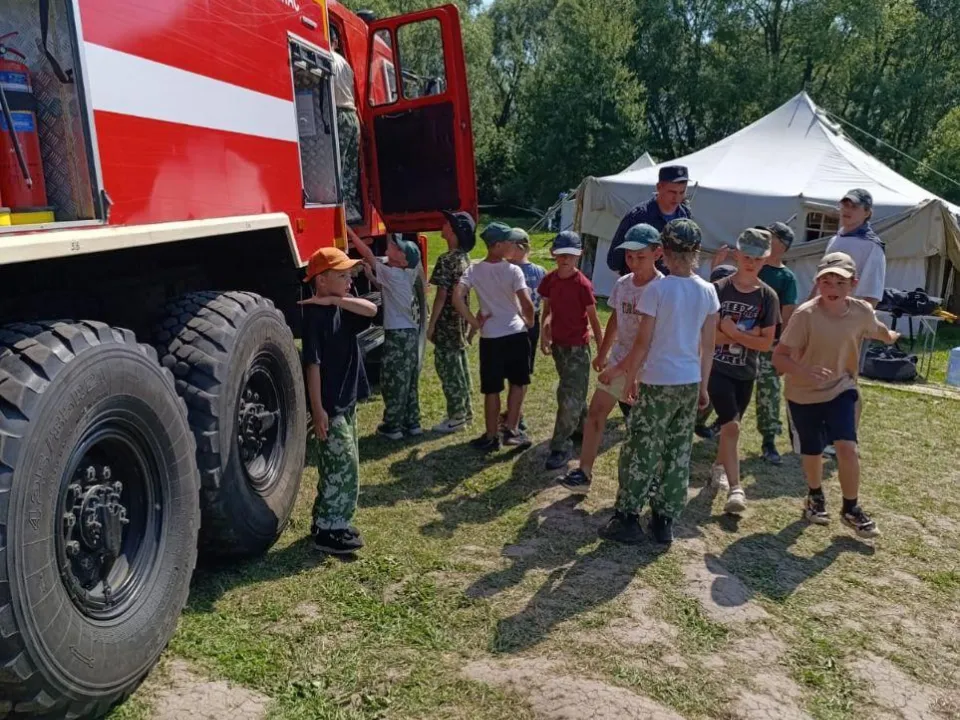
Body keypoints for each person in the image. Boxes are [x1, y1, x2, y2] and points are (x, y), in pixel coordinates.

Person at [597, 219, 719, 546]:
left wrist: (628, 377)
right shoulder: (708, 291)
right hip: (688, 382)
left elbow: (642, 343)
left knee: (642, 448)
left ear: (663, 251)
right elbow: (708, 346)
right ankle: (664, 521)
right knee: (677, 451)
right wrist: (703, 386)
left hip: (657, 381)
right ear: (696, 251)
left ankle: (627, 518)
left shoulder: (657, 290)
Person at [773, 252, 899, 538]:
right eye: (826, 282)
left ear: (853, 284)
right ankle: (815, 496)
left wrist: (891, 337)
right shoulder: (805, 315)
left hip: (842, 388)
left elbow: (879, 330)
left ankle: (851, 509)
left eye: (840, 282)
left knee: (847, 447)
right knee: (813, 450)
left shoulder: (861, 311)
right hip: (803, 393)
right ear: (818, 283)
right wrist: (804, 372)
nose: (832, 288)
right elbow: (779, 357)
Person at [558, 224, 663, 491]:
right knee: (596, 412)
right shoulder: (623, 284)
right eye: (629, 257)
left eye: (641, 257)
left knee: (642, 429)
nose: (634, 263)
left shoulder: (662, 289)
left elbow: (649, 341)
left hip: (647, 368)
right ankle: (583, 473)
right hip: (619, 360)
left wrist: (629, 372)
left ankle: (650, 480)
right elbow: (616, 318)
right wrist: (603, 353)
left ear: (657, 253)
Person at [300, 247, 378, 554]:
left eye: (349, 275)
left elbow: (372, 310)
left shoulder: (342, 306)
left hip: (347, 400)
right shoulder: (314, 318)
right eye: (342, 276)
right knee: (342, 464)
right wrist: (318, 409)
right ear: (321, 280)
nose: (350, 281)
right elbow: (312, 365)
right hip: (330, 405)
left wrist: (336, 300)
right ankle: (330, 530)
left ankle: (329, 520)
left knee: (343, 461)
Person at [707, 228, 780, 515]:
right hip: (716, 368)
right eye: (747, 256)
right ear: (737, 255)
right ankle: (736, 488)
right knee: (732, 426)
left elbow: (766, 344)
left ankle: (718, 467)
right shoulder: (719, 289)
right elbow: (708, 337)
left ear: (766, 260)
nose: (751, 263)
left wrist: (733, 332)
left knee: (731, 427)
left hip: (746, 372)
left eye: (757, 259)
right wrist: (747, 335)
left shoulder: (768, 297)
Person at [453, 222, 536, 452]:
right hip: (516, 334)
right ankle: (511, 430)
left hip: (490, 337)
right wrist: (529, 322)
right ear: (498, 245)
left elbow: (457, 297)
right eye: (510, 242)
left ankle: (491, 435)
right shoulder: (513, 270)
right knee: (517, 383)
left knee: (491, 389)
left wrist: (474, 322)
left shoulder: (474, 270)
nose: (514, 246)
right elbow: (527, 303)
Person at [538, 231, 604, 470]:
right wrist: (544, 335)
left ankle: (560, 446)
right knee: (573, 391)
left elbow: (594, 319)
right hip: (559, 347)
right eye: (561, 254)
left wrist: (601, 351)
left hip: (578, 349)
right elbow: (547, 310)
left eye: (571, 255)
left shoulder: (582, 284)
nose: (565, 259)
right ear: (553, 254)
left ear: (579, 255)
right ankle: (582, 429)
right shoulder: (550, 280)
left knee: (569, 396)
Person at [348, 228, 422, 439]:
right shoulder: (405, 274)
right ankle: (412, 422)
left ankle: (393, 427)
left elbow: (368, 255)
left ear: (402, 260)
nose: (392, 246)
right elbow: (387, 289)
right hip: (411, 334)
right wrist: (371, 276)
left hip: (397, 335)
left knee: (393, 380)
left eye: (397, 248)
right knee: (409, 379)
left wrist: (351, 233)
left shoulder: (393, 274)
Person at [428, 211, 476, 433]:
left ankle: (456, 416)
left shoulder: (446, 260)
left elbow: (441, 295)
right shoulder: (464, 258)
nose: (443, 225)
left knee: (448, 369)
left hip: (447, 323)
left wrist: (431, 325)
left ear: (454, 232)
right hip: (459, 322)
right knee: (460, 366)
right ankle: (465, 411)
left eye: (448, 224)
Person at [756, 222, 799, 464]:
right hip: (739, 338)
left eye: (770, 237)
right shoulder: (754, 265)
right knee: (725, 384)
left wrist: (782, 347)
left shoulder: (786, 277)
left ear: (781, 245)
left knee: (768, 393)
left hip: (768, 343)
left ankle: (769, 440)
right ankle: (709, 422)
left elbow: (788, 313)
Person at [607, 165, 692, 277]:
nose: (677, 198)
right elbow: (614, 260)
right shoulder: (638, 216)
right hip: (642, 284)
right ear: (659, 187)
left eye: (682, 192)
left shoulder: (685, 216)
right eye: (672, 192)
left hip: (674, 283)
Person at [331, 32, 362, 224]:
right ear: (336, 42)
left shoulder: (327, 58)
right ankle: (350, 208)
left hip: (339, 114)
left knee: (338, 163)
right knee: (350, 166)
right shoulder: (345, 63)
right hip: (352, 116)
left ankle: (339, 207)